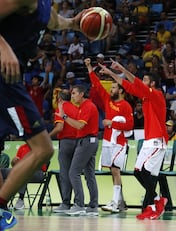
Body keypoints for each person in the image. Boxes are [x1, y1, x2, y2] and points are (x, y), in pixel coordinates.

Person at [0, 1, 83, 229]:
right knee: (43, 148)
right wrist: (3, 47)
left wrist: (74, 24)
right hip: (5, 78)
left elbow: (51, 19)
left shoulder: (44, 3)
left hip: (11, 77)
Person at [99, 62, 169, 220]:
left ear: (152, 84)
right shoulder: (145, 96)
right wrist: (111, 73)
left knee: (145, 172)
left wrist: (123, 69)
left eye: (145, 80)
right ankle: (158, 199)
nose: (142, 82)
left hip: (157, 140)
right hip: (149, 140)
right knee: (138, 172)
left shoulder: (156, 94)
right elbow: (128, 86)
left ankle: (153, 206)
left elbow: (134, 82)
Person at [85, 58, 134, 213]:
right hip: (107, 141)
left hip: (119, 143)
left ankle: (114, 202)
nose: (111, 89)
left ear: (121, 90)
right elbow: (97, 84)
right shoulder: (107, 100)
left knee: (115, 170)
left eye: (113, 87)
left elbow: (130, 126)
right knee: (113, 172)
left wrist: (112, 123)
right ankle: (121, 202)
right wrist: (88, 67)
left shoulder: (126, 106)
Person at [57, 85, 99, 216]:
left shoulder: (87, 106)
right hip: (89, 141)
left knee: (73, 172)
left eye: (74, 93)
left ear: (81, 94)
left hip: (86, 141)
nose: (72, 95)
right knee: (89, 174)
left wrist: (64, 117)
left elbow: (80, 125)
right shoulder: (82, 107)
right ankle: (93, 206)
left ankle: (79, 204)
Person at [48, 89, 78, 213]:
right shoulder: (76, 108)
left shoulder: (61, 109)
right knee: (75, 174)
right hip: (78, 143)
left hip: (66, 143)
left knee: (65, 173)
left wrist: (47, 137)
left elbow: (59, 127)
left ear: (59, 99)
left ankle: (65, 203)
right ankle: (78, 203)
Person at [1, 143, 48, 210]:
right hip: (22, 171)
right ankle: (2, 198)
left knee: (23, 172)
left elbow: (40, 165)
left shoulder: (40, 147)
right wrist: (13, 162)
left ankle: (21, 198)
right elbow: (16, 166)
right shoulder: (22, 147)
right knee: (2, 171)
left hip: (38, 172)